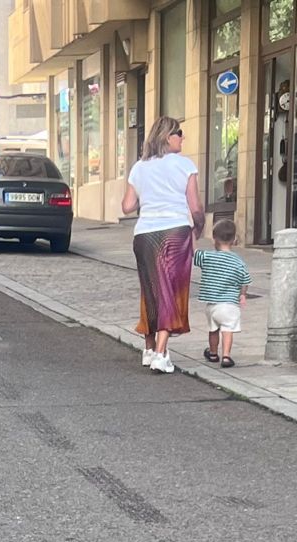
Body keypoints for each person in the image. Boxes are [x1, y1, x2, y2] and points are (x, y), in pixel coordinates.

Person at [120, 116, 201, 374]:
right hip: (175, 232)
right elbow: (195, 206)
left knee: (151, 289)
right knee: (171, 290)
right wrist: (198, 227)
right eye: (179, 133)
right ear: (168, 137)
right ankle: (160, 354)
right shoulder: (184, 165)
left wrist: (148, 194)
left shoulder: (139, 167)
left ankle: (149, 347)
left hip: (144, 235)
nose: (182, 137)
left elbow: (127, 206)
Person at [193, 217, 250, 368]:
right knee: (227, 330)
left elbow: (194, 252)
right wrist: (243, 294)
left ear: (214, 239)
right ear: (234, 239)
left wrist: (191, 234)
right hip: (230, 304)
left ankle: (212, 353)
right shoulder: (238, 261)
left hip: (212, 305)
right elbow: (245, 280)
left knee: (213, 330)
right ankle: (226, 356)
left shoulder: (208, 257)